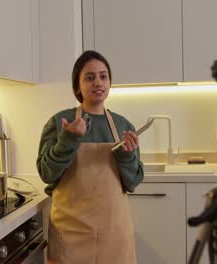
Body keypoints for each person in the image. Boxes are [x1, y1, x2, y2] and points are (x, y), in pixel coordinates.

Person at [36, 50, 144, 264]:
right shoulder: (60, 122)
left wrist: (126, 156)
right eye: (89, 77)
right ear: (77, 86)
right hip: (70, 234)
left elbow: (133, 182)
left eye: (103, 76)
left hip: (113, 234)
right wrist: (68, 140)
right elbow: (46, 174)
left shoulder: (123, 126)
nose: (98, 82)